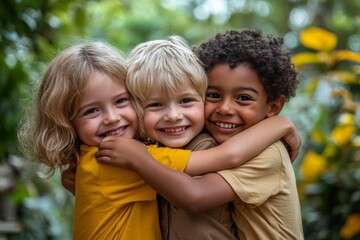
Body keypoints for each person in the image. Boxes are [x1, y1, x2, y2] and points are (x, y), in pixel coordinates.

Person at [18, 39, 300, 240]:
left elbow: (197, 192)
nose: (113, 118)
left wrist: (280, 124)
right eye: (154, 105)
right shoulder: (126, 156)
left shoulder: (264, 151)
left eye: (120, 102)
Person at [96, 29, 304, 239]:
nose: (225, 109)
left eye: (243, 98)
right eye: (213, 95)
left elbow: (196, 196)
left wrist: (139, 159)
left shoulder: (268, 152)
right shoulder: (190, 137)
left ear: (273, 106)